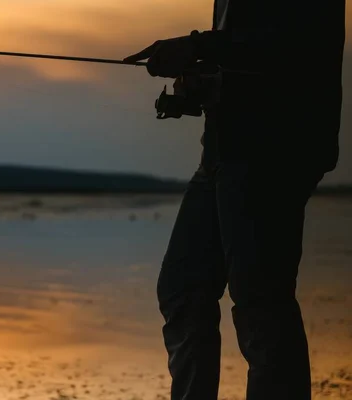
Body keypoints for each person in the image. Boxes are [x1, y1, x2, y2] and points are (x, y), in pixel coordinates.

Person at [124, 2, 346, 399]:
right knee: (183, 288)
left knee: (261, 303)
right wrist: (202, 86)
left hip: (274, 153)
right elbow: (248, 65)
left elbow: (289, 47)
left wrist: (193, 47)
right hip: (222, 151)